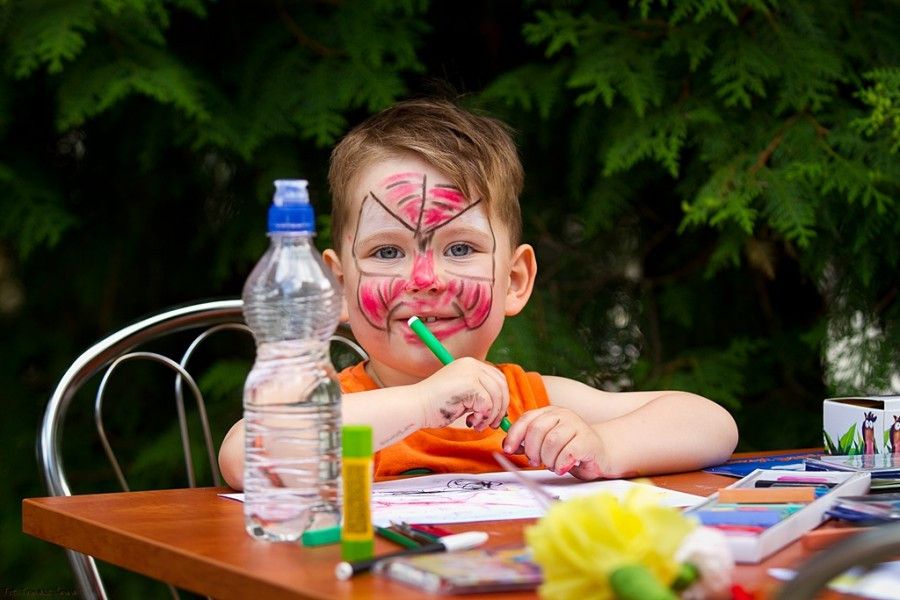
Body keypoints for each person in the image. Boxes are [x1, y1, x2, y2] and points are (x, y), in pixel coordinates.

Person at [218, 98, 738, 490]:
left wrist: (605, 444)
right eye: (387, 252)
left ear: (514, 281)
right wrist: (421, 404)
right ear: (338, 288)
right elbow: (248, 453)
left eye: (461, 248)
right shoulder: (339, 408)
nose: (425, 277)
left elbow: (712, 424)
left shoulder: (531, 403)